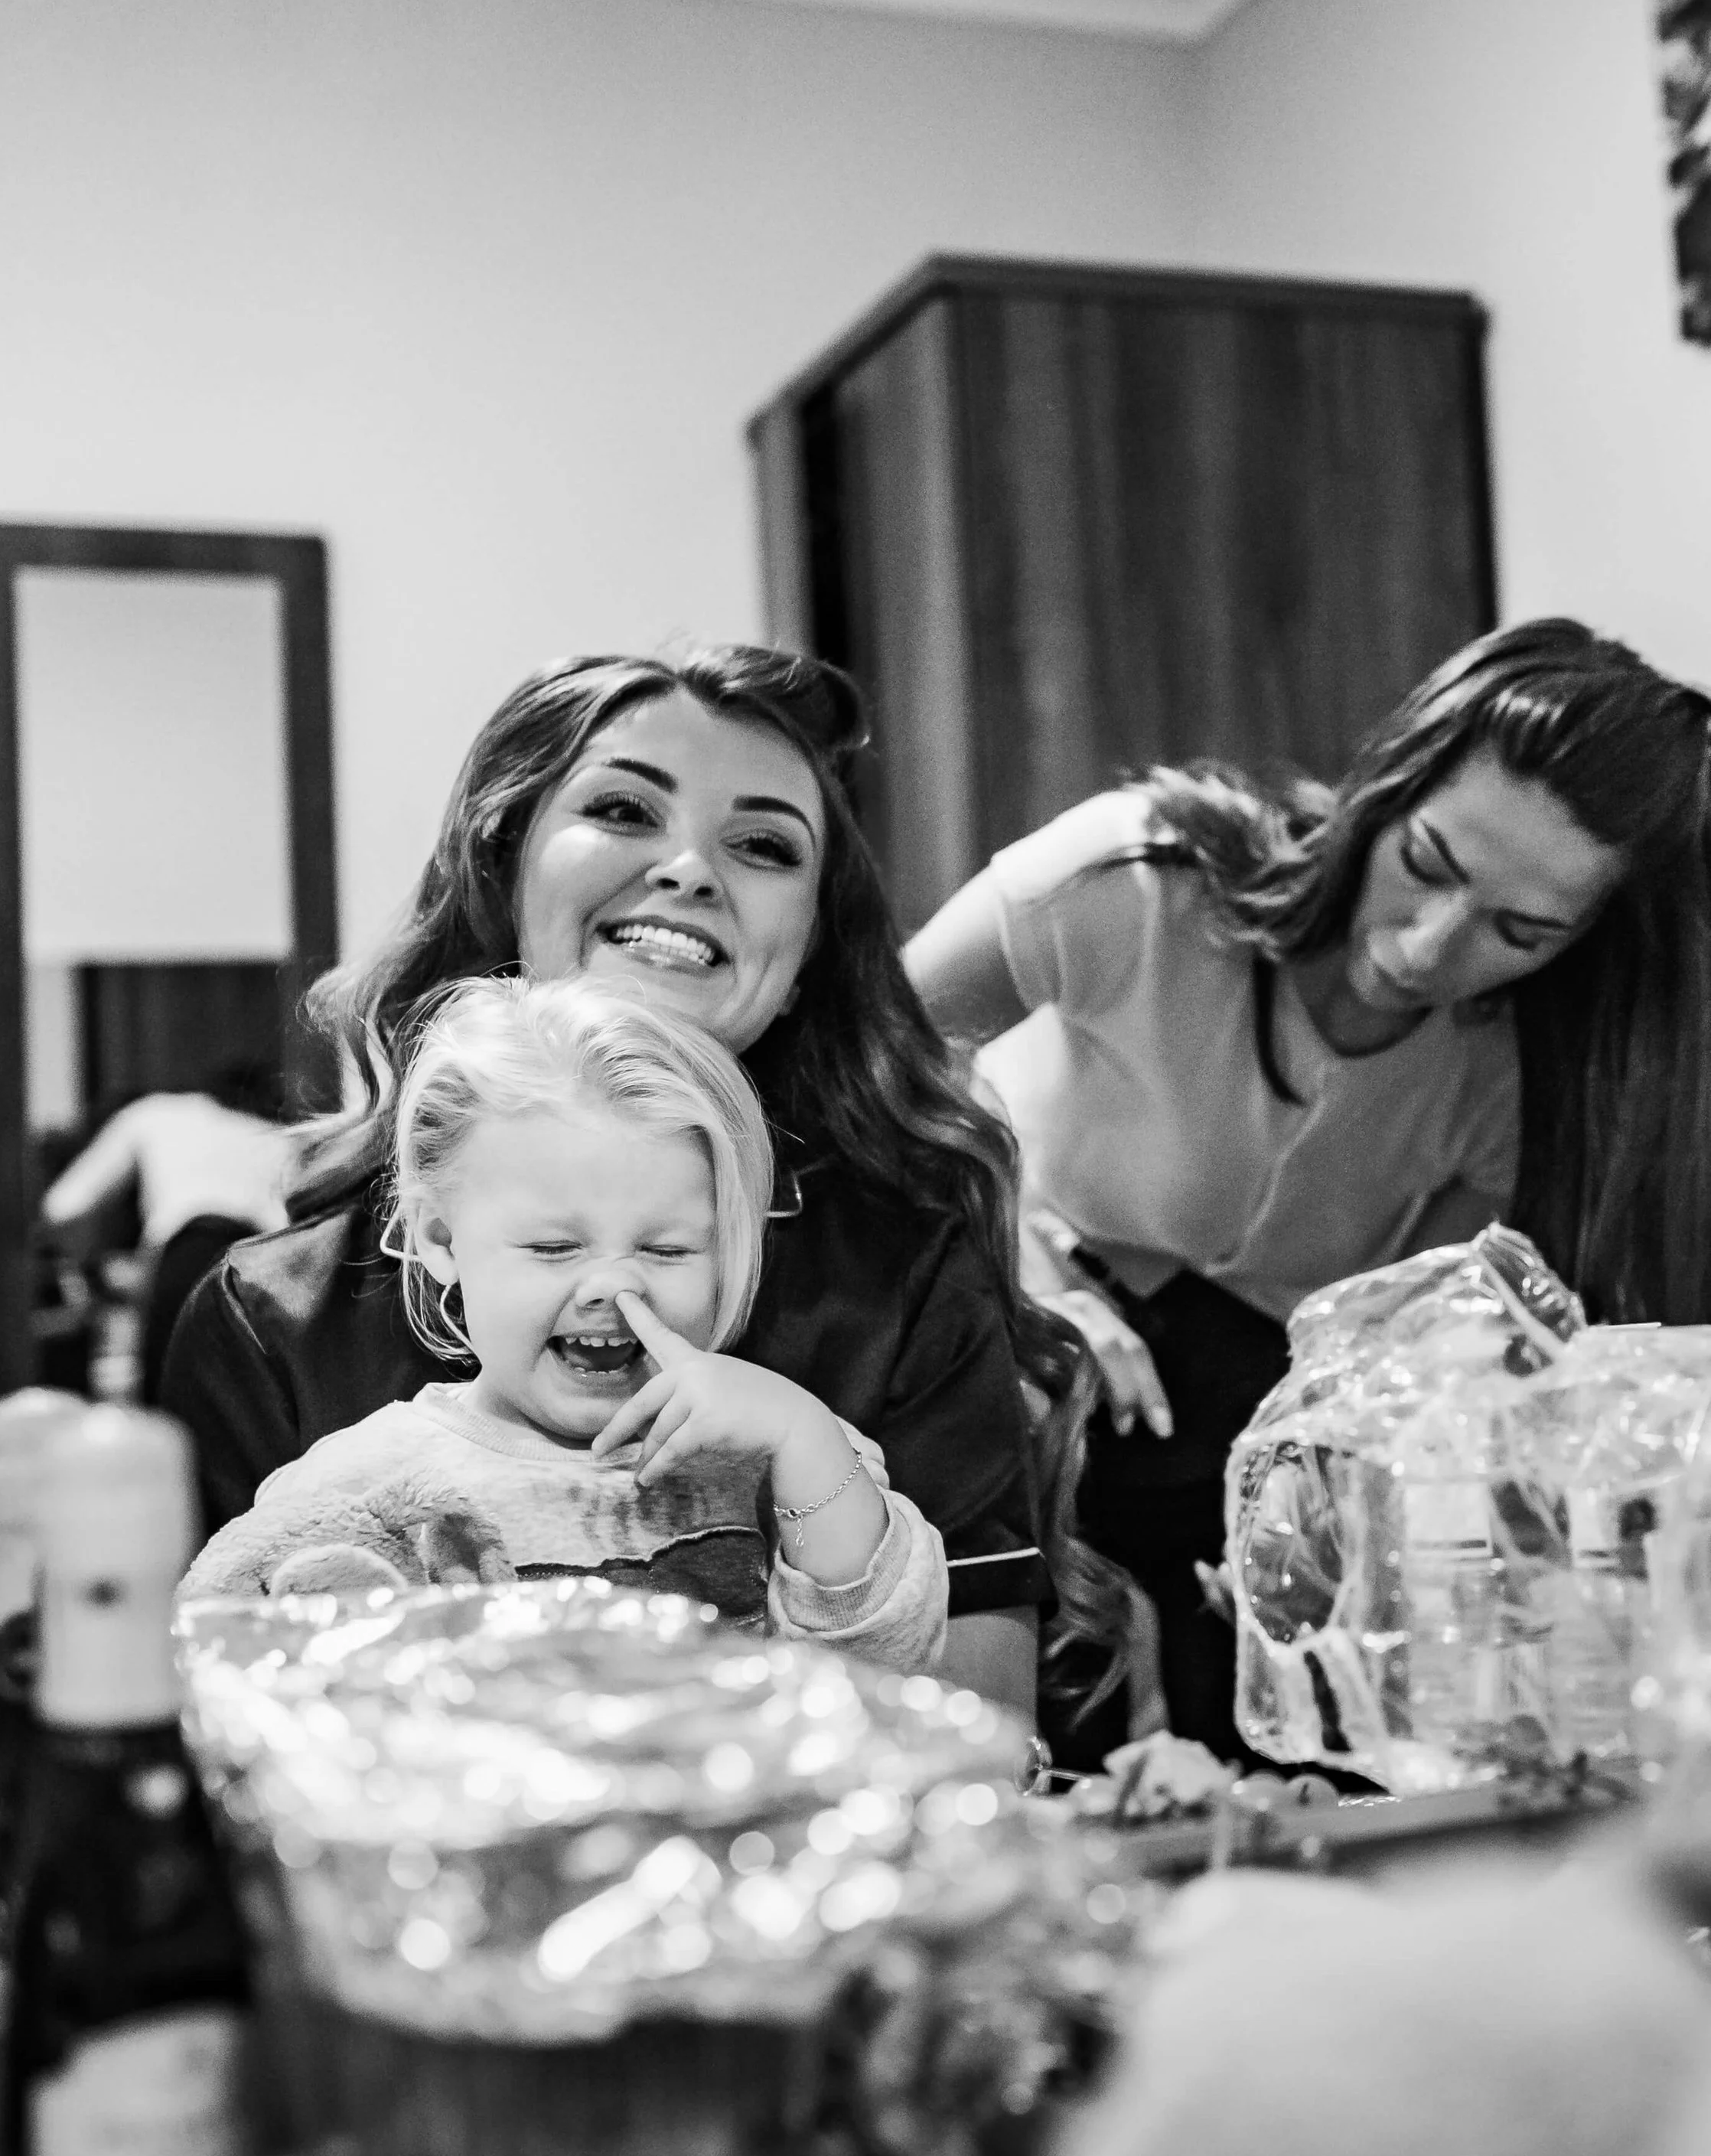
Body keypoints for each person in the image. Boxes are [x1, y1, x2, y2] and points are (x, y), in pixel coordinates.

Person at [162, 646, 1083, 1712]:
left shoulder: (905, 1267)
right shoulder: (272, 1316)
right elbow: (211, 1711)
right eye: (626, 809)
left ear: (804, 956)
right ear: (505, 867)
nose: (692, 868)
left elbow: (974, 1719)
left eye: (762, 844)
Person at [906, 619, 1711, 1754]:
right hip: (1009, 1297)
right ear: (1385, 787)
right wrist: (1015, 1264)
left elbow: (1402, 1351)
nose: (1430, 949)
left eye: (1520, 930)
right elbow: (879, 1061)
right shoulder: (1135, 877)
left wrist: (1340, 1514)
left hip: (1251, 1403)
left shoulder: (1519, 1073)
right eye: (1428, 865)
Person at [184, 978, 948, 1672]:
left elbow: (886, 1669)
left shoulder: (779, 1462)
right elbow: (211, 1673)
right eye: (555, 1246)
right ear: (440, 1241)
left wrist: (803, 1438)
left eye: (666, 1247)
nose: (614, 1285)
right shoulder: (364, 1491)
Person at [40, 1063, 292, 1405]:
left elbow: (63, 1207)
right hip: (268, 1269)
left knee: (170, 1407)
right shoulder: (282, 1137)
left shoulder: (154, 1113)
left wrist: (87, 1270)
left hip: (188, 1256)